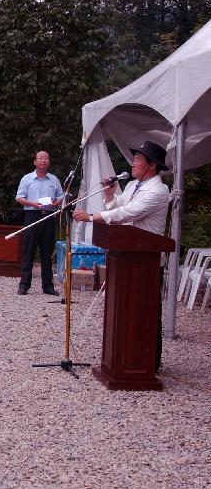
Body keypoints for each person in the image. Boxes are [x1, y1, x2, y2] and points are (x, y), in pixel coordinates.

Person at [73, 140, 171, 368]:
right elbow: (117, 206)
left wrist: (90, 216)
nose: (133, 163)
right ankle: (123, 356)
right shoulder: (132, 185)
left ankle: (147, 362)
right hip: (127, 255)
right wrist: (109, 195)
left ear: (152, 166)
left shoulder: (158, 190)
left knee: (146, 311)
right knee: (126, 308)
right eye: (134, 159)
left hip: (147, 260)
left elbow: (128, 213)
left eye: (138, 160)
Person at [15, 151, 64, 295]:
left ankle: (48, 286)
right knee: (28, 251)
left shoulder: (54, 179)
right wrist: (33, 204)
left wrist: (57, 203)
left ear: (49, 162)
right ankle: (24, 285)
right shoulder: (27, 178)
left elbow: (61, 196)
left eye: (46, 158)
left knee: (47, 252)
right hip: (32, 214)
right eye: (40, 158)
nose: (43, 160)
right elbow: (19, 197)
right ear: (35, 162)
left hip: (48, 216)